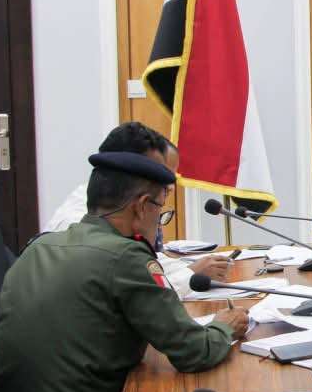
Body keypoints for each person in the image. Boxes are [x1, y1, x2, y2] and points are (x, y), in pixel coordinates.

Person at [0, 150, 249, 392]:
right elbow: (193, 352)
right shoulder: (126, 257)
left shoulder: (39, 247)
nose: (160, 223)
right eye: (160, 210)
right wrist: (225, 326)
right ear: (141, 207)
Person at [43, 121, 231, 291]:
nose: (169, 187)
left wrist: (190, 268)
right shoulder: (78, 223)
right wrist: (190, 275)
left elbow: (146, 263)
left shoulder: (115, 206)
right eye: (160, 174)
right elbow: (131, 288)